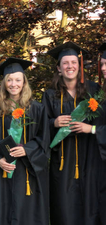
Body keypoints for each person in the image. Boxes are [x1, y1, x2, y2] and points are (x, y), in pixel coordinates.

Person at [41, 42, 100, 225]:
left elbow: (101, 123)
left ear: (79, 65)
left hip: (89, 159)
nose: (70, 67)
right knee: (64, 209)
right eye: (65, 63)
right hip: (62, 163)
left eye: (73, 62)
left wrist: (89, 129)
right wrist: (54, 123)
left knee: (90, 207)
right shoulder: (50, 95)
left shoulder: (94, 90)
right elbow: (40, 127)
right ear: (59, 68)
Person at [0, 58, 50, 225]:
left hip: (27, 170)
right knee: (5, 211)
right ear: (4, 83)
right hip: (5, 170)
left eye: (17, 80)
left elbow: (44, 139)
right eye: (9, 80)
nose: (13, 84)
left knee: (28, 213)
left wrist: (27, 150)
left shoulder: (36, 108)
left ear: (24, 82)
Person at [81, 43, 106, 225]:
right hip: (99, 162)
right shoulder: (102, 93)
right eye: (102, 64)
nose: (103, 69)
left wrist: (92, 129)